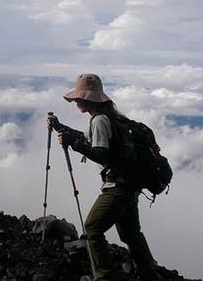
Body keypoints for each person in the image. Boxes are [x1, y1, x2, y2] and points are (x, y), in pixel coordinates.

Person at [47, 73, 162, 281]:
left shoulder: (99, 120)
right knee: (130, 233)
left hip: (117, 187)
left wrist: (73, 143)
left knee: (92, 227)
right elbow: (88, 140)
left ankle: (105, 276)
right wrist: (61, 127)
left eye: (78, 98)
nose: (75, 102)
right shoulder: (112, 117)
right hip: (130, 185)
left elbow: (101, 153)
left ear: (87, 98)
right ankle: (148, 272)